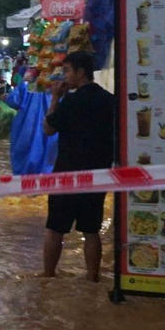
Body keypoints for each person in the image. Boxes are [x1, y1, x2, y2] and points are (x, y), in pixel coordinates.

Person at [41, 50, 115, 280]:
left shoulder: (70, 102)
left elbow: (48, 129)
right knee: (92, 231)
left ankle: (48, 277)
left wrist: (55, 98)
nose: (64, 76)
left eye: (67, 71)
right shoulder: (110, 100)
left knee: (55, 229)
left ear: (80, 72)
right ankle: (93, 279)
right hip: (97, 175)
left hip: (66, 175)